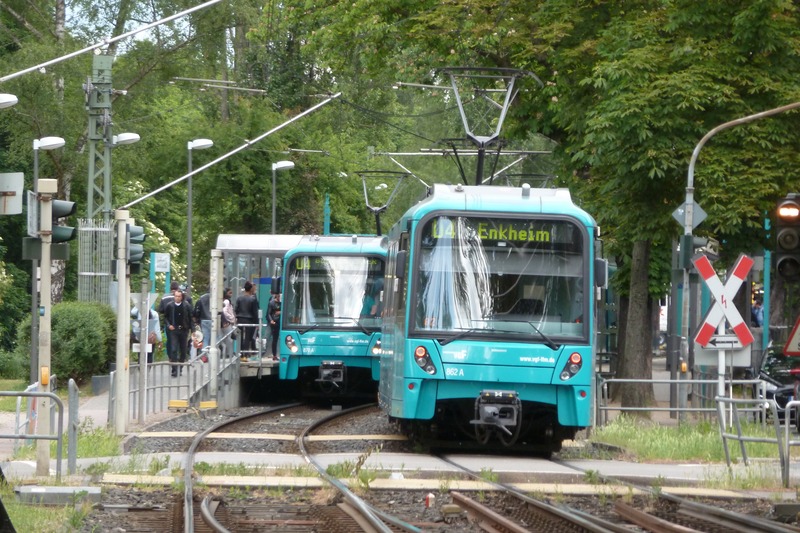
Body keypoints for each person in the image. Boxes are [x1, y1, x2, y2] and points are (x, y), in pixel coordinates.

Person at [165, 289, 192, 377]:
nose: (177, 298)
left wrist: (193, 330)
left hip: (184, 330)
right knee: (173, 349)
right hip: (174, 330)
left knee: (183, 350)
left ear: (182, 297)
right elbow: (165, 317)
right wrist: (169, 325)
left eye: (179, 296)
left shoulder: (186, 305)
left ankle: (180, 367)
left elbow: (190, 318)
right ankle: (174, 369)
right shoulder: (170, 305)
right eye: (176, 296)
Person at [234, 281, 260, 358]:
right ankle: (245, 353)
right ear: (251, 289)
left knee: (240, 337)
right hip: (249, 320)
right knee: (247, 337)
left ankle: (240, 354)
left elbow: (236, 309)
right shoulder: (253, 299)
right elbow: (255, 312)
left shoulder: (239, 298)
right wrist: (257, 323)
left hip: (240, 319)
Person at [158, 281, 180, 356]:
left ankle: (170, 356)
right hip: (178, 322)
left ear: (170, 288)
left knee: (169, 339)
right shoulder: (180, 297)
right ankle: (176, 355)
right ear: (177, 288)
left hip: (168, 322)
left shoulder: (164, 297)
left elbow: (161, 310)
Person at [221, 287, 236, 358]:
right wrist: (231, 318)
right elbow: (224, 311)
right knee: (228, 338)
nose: (231, 294)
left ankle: (227, 353)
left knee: (225, 338)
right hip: (228, 323)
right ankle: (230, 353)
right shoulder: (226, 301)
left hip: (226, 322)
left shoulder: (225, 301)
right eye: (230, 293)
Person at [267, 292, 281, 360]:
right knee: (274, 339)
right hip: (275, 322)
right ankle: (274, 355)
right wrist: (271, 320)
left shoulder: (282, 302)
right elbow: (268, 313)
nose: (279, 297)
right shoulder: (272, 303)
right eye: (278, 296)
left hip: (280, 321)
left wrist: (280, 312)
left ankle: (277, 354)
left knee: (277, 338)